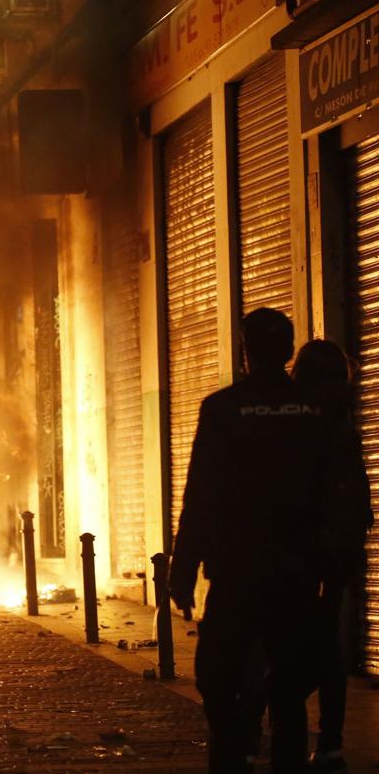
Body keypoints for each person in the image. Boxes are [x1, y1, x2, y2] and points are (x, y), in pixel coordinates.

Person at [170, 308, 330, 773]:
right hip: (297, 573)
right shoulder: (315, 411)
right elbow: (334, 489)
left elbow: (200, 495)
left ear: (245, 351)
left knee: (218, 674)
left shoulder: (222, 409)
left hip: (238, 571)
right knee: (291, 682)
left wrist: (183, 568)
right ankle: (286, 758)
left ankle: (233, 748)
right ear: (287, 351)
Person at [292, 339, 374, 770]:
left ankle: (287, 714)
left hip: (306, 552)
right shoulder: (343, 420)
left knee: (306, 643)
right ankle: (331, 741)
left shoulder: (299, 420)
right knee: (327, 645)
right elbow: (357, 494)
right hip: (338, 551)